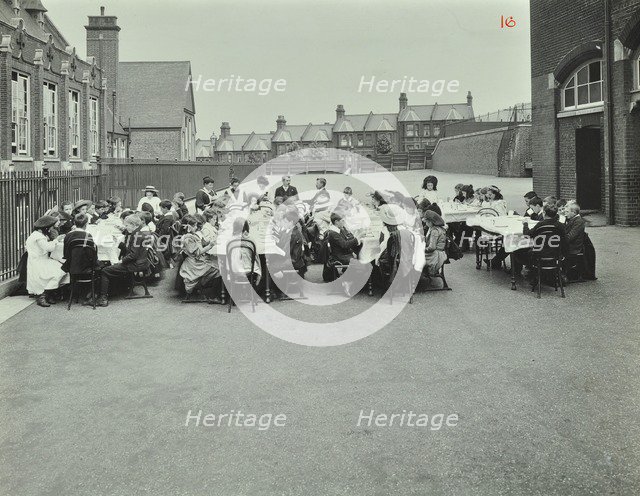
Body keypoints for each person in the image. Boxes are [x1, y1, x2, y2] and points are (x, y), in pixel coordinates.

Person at [97, 214, 154, 307]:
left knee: (105, 270)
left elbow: (133, 255)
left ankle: (103, 298)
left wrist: (122, 261)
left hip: (136, 264)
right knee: (111, 267)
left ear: (133, 224)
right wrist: (119, 244)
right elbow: (132, 251)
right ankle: (114, 290)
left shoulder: (136, 236)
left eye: (127, 225)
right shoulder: (138, 233)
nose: (125, 227)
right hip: (140, 262)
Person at [25, 215, 68, 307]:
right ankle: (44, 295)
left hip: (40, 260)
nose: (51, 229)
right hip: (39, 262)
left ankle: (49, 293)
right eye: (50, 227)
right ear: (46, 227)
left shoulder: (37, 235)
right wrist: (56, 240)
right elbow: (48, 248)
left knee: (62, 270)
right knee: (60, 271)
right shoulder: (38, 237)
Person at [178, 215, 222, 303]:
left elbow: (200, 244)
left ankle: (204, 288)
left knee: (216, 262)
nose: (196, 227)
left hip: (196, 260)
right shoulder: (188, 238)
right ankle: (209, 291)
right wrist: (210, 245)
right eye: (194, 226)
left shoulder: (191, 235)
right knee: (218, 268)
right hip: (194, 263)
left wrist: (208, 242)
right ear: (189, 227)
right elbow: (198, 252)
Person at [325, 212, 362, 295]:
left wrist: (352, 251)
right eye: (342, 221)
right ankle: (347, 282)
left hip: (344, 253)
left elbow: (347, 240)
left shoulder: (339, 230)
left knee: (359, 259)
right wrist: (357, 239)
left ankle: (348, 279)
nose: (344, 222)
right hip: (339, 256)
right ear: (336, 222)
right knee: (359, 262)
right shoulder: (333, 233)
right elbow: (344, 245)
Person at [422, 210, 448, 277]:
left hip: (436, 255)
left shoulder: (434, 231)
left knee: (415, 256)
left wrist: (422, 249)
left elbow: (432, 247)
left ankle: (419, 276)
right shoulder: (440, 229)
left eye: (426, 222)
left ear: (431, 222)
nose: (426, 224)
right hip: (439, 252)